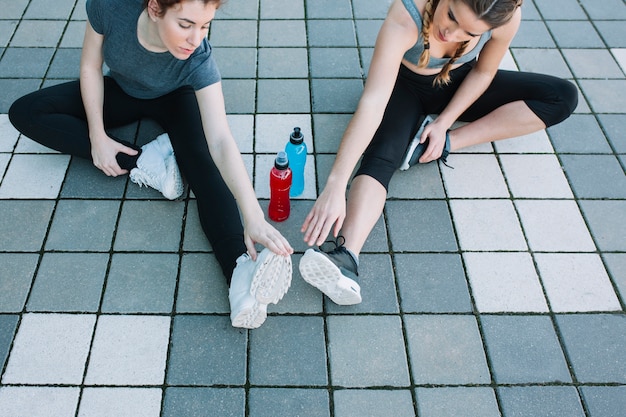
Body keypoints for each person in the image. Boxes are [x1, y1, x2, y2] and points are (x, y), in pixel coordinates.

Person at [8, 0, 294, 329]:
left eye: (205, 26)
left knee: (203, 166)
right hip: (123, 90)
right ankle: (147, 158)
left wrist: (254, 217)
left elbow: (220, 141)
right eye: (185, 25)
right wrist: (97, 136)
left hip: (177, 98)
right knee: (27, 112)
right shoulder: (110, 7)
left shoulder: (197, 58)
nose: (195, 39)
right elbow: (90, 67)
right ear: (155, 8)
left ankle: (240, 272)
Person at [298, 0, 577, 305]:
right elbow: (373, 102)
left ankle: (441, 144)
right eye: (451, 16)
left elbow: (483, 73)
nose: (450, 32)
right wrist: (336, 185)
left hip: (458, 82)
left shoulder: (506, 17)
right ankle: (346, 257)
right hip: (403, 89)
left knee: (562, 96)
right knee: (382, 157)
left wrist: (445, 125)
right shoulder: (407, 16)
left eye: (468, 32)